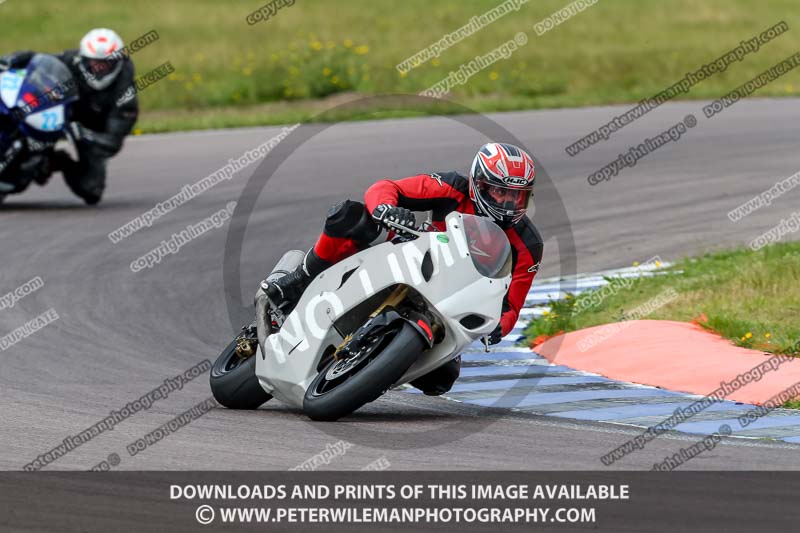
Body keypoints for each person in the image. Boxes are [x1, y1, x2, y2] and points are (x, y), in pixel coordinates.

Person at [265, 142, 544, 396]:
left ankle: (374, 368)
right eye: (500, 192)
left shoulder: (528, 244)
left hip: (450, 301)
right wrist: (386, 208)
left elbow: (511, 306)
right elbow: (387, 187)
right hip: (411, 256)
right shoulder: (452, 188)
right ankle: (300, 277)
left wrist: (497, 327)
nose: (507, 204)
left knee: (441, 381)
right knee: (349, 216)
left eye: (516, 197)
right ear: (478, 184)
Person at [0, 28, 138, 204]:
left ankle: (57, 161)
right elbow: (37, 61)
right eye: (94, 63)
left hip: (89, 129)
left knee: (91, 190)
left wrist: (84, 135)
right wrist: (9, 61)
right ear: (84, 58)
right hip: (59, 112)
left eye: (106, 64)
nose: (99, 68)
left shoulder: (125, 94)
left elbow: (113, 142)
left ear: (118, 61)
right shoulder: (71, 60)